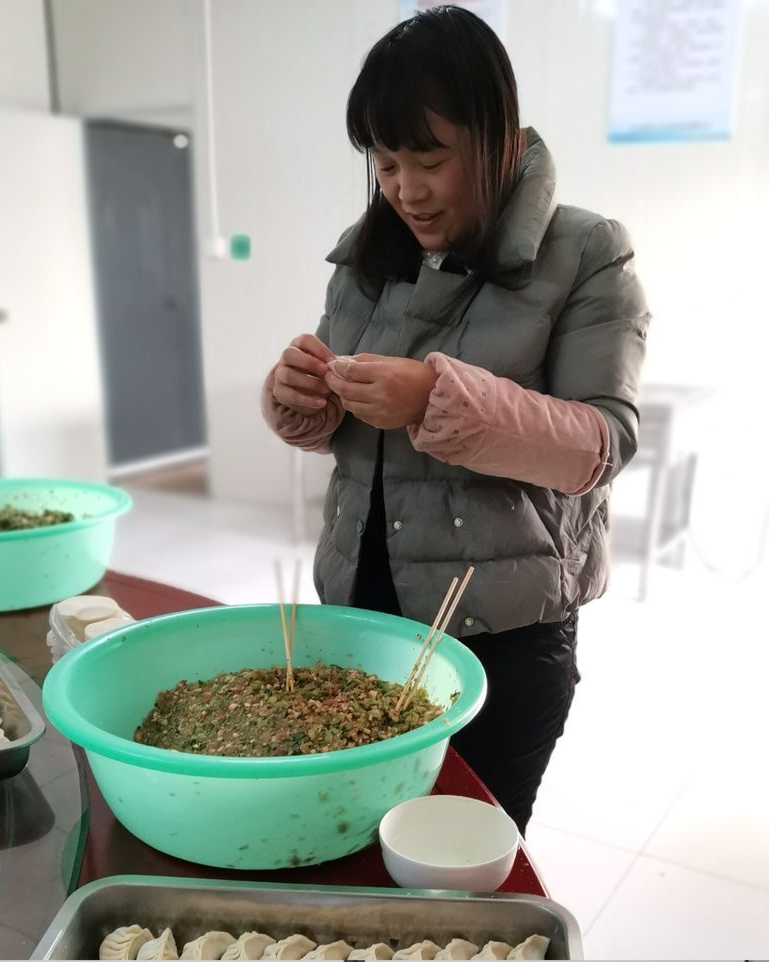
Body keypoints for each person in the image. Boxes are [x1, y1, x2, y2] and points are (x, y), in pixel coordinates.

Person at [263, 6, 648, 831]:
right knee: (354, 841)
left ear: (496, 136)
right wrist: (299, 397)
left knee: (465, 861)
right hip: (361, 618)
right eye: (386, 162)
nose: (406, 190)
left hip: (500, 637)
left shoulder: (586, 252)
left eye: (430, 160)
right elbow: (341, 429)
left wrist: (433, 398)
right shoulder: (366, 257)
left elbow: (601, 446)